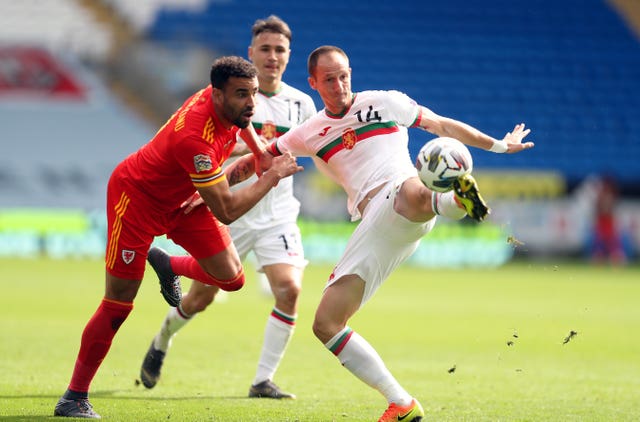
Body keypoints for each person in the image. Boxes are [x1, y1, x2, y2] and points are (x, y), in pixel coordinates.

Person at [261, 45, 534, 422]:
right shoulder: (310, 132)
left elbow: (441, 125)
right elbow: (263, 154)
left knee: (409, 189)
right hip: (387, 226)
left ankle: (453, 198)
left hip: (397, 201)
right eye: (329, 79)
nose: (339, 85)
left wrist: (500, 145)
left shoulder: (386, 102)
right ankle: (401, 403)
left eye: (344, 75)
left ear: (351, 72)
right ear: (313, 83)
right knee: (327, 325)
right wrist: (211, 184)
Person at [53, 56, 303, 419]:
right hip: (137, 198)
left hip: (182, 198)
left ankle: (167, 263)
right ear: (217, 95)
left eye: (253, 93)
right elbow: (227, 211)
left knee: (231, 278)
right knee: (119, 303)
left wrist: (260, 152)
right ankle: (74, 396)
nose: (251, 103)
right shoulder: (195, 141)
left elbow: (244, 125)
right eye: (241, 95)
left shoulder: (223, 102)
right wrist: (270, 174)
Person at [138, 15, 316, 399]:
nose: (272, 56)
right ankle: (162, 339)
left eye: (279, 50)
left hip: (278, 214)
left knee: (288, 289)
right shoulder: (232, 96)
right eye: (264, 49)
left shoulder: (302, 103)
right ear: (251, 53)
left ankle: (262, 381)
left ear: (289, 55)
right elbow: (227, 154)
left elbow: (310, 149)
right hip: (231, 211)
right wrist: (206, 192)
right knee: (200, 298)